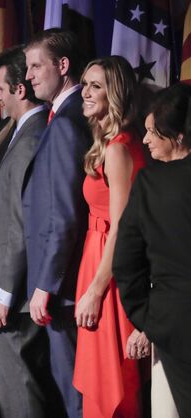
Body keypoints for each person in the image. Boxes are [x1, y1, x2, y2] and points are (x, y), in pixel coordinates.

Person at [72, 56, 147, 418]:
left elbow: (121, 227)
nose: (85, 92)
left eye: (96, 86)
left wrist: (95, 291)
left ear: (114, 93)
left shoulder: (118, 149)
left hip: (110, 272)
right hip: (97, 260)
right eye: (85, 84)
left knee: (111, 380)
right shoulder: (110, 142)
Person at [23, 28, 92, 418]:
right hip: (63, 282)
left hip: (63, 286)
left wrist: (45, 284)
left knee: (75, 391)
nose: (29, 76)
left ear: (62, 66)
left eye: (36, 66)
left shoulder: (67, 123)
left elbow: (65, 215)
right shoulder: (65, 115)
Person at [114, 83, 191, 418]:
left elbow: (126, 263)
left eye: (151, 132)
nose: (143, 140)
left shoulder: (149, 185)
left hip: (173, 324)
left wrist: (148, 318)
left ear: (177, 136)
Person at [0, 46, 51, 418]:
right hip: (15, 291)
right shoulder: (20, 135)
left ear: (19, 90)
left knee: (20, 389)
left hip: (16, 296)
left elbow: (23, 225)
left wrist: (4, 296)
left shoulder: (30, 140)